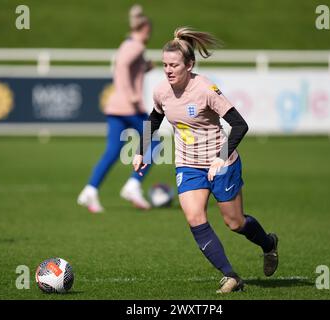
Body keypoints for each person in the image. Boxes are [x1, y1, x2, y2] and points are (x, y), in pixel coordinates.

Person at [133, 27, 279, 293]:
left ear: (189, 65)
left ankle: (268, 244)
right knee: (194, 216)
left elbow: (240, 125)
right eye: (165, 64)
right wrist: (141, 149)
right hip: (188, 165)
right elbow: (154, 119)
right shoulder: (161, 91)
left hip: (221, 162)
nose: (168, 70)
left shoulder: (205, 89)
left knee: (234, 223)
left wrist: (221, 158)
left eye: (174, 64)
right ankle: (231, 276)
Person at [78, 5, 157, 212]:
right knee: (155, 142)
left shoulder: (128, 43)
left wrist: (145, 68)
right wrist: (130, 93)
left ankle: (90, 190)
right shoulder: (137, 46)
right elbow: (121, 65)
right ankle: (133, 184)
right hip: (129, 107)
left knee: (113, 151)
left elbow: (126, 66)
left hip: (116, 107)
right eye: (148, 29)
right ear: (145, 28)